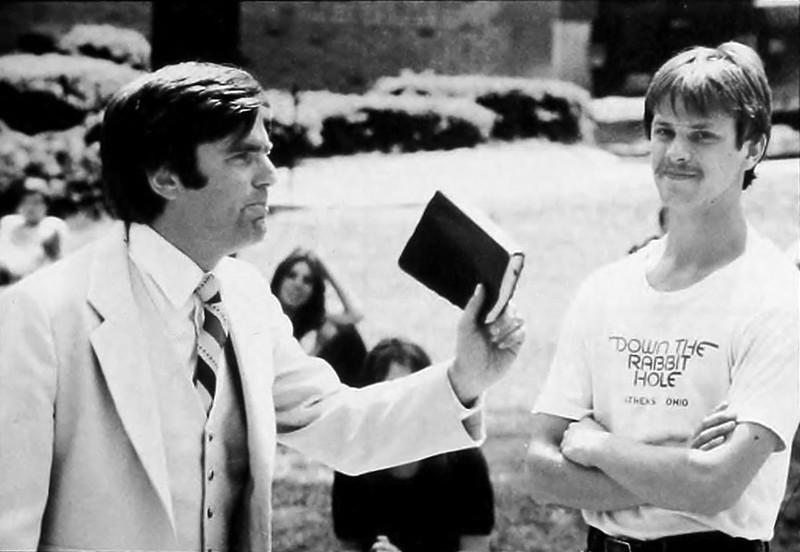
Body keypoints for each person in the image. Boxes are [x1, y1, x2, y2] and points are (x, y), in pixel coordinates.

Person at [0, 62, 525, 551]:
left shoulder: (246, 298)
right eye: (243, 156)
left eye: (266, 152)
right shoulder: (41, 317)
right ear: (166, 177)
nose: (269, 173)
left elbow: (340, 424)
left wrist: (464, 377)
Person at [526, 42, 799, 552]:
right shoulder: (605, 289)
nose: (676, 153)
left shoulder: (777, 296)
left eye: (702, 135)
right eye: (664, 131)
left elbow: (717, 486)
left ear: (753, 147)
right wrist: (676, 472)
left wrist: (598, 447)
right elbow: (541, 470)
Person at [332, 338, 495, 552]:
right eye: (389, 392)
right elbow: (349, 547)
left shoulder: (463, 460)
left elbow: (476, 548)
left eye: (411, 391)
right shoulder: (352, 464)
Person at [271, 247, 368, 387]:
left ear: (314, 290)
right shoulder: (264, 316)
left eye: (307, 281)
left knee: (348, 334)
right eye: (291, 275)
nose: (298, 284)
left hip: (301, 388)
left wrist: (326, 272)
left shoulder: (315, 327)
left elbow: (356, 314)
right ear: (279, 279)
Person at [0, 176, 68, 286]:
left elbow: (60, 262)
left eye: (36, 202)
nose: (30, 207)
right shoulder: (8, 222)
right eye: (26, 202)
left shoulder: (54, 225)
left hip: (38, 284)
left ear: (46, 205)